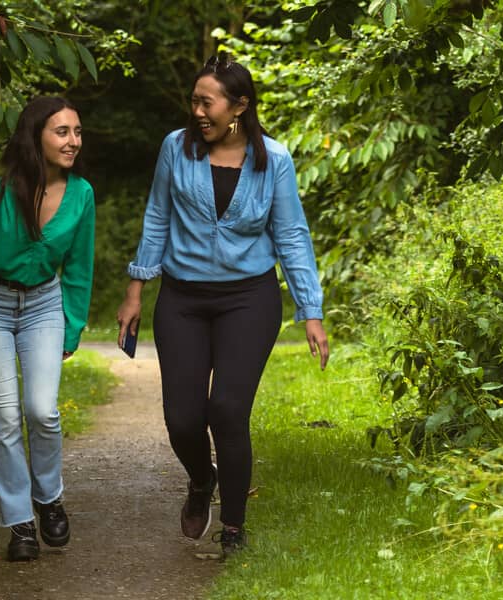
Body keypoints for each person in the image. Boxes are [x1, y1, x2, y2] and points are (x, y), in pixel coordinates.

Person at [115, 54, 330, 559]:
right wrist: (135, 288)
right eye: (194, 101)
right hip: (184, 299)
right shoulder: (176, 148)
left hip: (248, 300)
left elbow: (292, 235)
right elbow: (157, 216)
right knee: (183, 421)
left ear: (239, 106)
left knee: (228, 412)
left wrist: (311, 310)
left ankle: (233, 526)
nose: (197, 112)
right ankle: (200, 479)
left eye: (205, 102)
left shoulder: (272, 159)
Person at [0, 96, 95, 562]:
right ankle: (19, 524)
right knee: (6, 419)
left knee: (42, 411)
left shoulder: (82, 194)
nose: (73, 141)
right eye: (62, 132)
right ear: (36, 137)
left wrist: (72, 327)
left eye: (76, 132)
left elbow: (79, 267)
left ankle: (49, 496)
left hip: (44, 306)